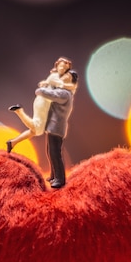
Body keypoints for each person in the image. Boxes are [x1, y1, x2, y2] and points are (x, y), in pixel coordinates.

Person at [6, 57, 78, 189]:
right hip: (53, 125)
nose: (64, 76)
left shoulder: (64, 94)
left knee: (55, 152)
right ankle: (53, 175)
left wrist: (41, 89)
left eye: (67, 76)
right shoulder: (62, 88)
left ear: (71, 81)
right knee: (50, 152)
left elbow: (49, 93)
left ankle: (60, 179)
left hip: (56, 127)